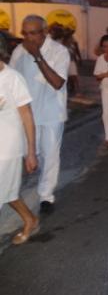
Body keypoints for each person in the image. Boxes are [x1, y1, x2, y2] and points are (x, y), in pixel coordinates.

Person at [10, 15, 70, 214]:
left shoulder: (59, 51)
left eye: (33, 33)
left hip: (52, 113)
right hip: (27, 115)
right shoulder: (19, 51)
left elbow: (57, 83)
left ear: (44, 32)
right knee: (28, 155)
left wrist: (37, 56)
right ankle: (13, 191)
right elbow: (9, 80)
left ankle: (46, 196)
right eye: (25, 33)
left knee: (50, 156)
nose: (28, 38)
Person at [0, 36, 39, 244]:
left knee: (4, 190)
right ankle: (30, 219)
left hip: (8, 147)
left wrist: (31, 151)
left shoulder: (12, 78)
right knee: (7, 192)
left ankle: (30, 220)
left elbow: (27, 115)